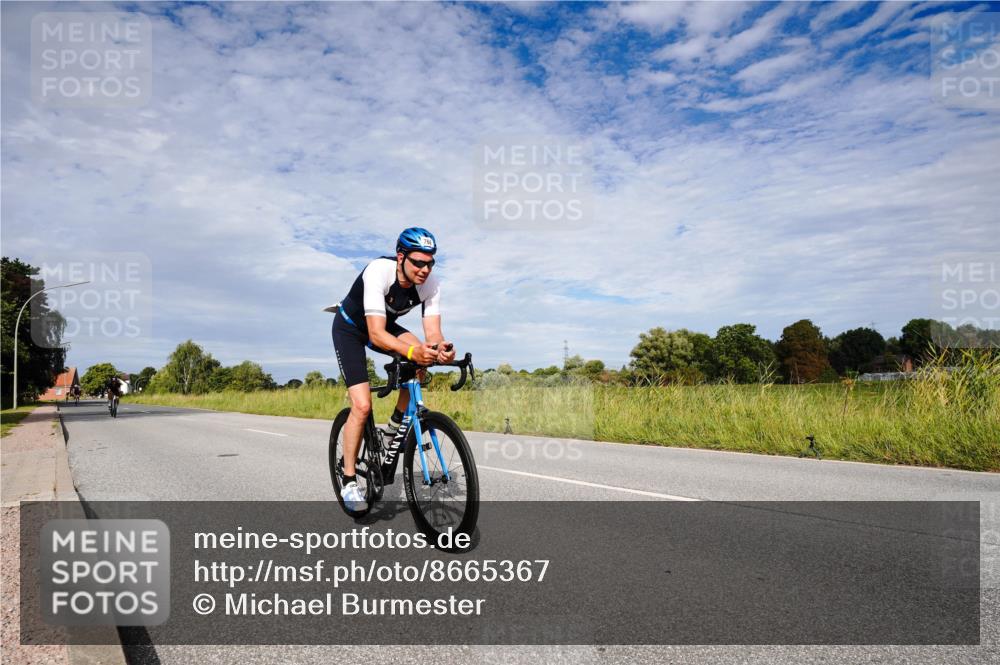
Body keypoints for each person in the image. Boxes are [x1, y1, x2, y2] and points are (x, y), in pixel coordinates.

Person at [331, 227, 455, 511]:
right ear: (401, 257)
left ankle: (393, 428)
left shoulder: (431, 284)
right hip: (352, 329)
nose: (425, 269)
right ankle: (349, 480)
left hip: (385, 326)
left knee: (423, 358)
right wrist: (413, 351)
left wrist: (440, 349)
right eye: (419, 263)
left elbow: (433, 333)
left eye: (430, 263)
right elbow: (375, 335)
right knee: (361, 407)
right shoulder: (379, 271)